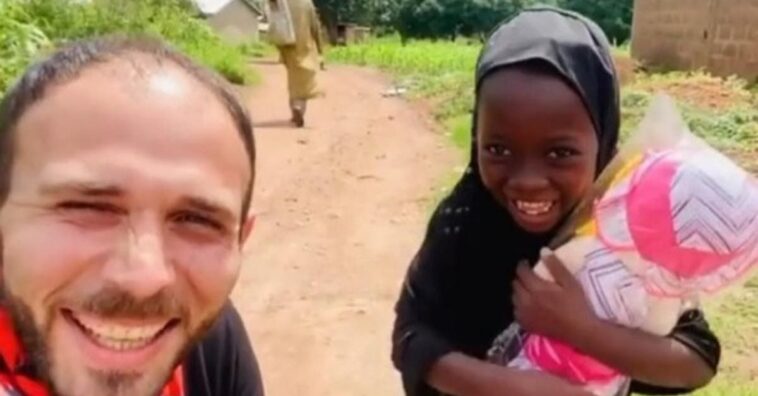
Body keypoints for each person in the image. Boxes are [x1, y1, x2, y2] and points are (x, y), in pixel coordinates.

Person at [391, 8, 720, 396]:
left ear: (603, 143)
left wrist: (581, 329)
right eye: (498, 148)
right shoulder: (464, 223)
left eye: (559, 153)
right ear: (476, 137)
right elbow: (410, 337)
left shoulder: (629, 231)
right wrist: (514, 389)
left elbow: (696, 360)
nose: (527, 182)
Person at [0, 36, 264, 396]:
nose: (144, 279)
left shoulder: (207, 343)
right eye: (87, 207)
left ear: (239, 241)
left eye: (198, 220)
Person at [270, 0, 324, 128]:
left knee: (293, 79)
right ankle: (299, 107)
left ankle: (295, 111)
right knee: (304, 82)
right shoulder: (307, 3)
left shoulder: (282, 2)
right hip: (305, 46)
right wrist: (321, 48)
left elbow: (274, 20)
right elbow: (315, 27)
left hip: (287, 45)